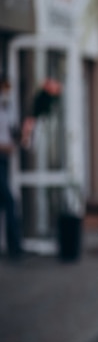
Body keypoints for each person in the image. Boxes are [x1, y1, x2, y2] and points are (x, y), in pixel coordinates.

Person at [0, 79, 22, 260]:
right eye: (6, 88)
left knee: (7, 201)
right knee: (9, 200)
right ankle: (15, 247)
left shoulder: (7, 108)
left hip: (5, 160)